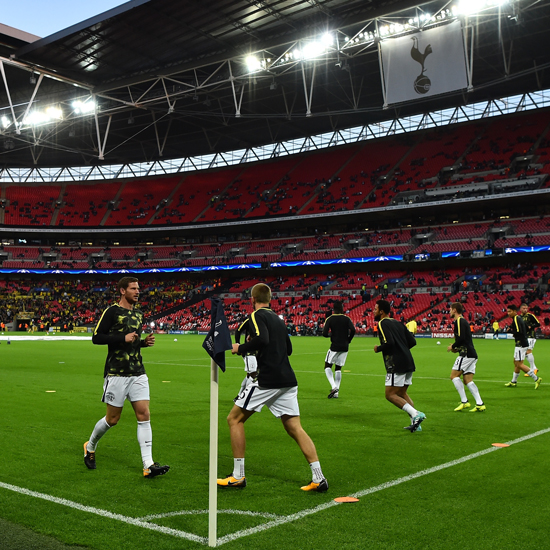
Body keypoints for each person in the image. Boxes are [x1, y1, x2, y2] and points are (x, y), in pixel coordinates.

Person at [217, 283, 328, 492]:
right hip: (287, 379)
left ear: (252, 299)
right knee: (295, 427)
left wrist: (240, 347)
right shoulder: (278, 319)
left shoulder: (256, 316)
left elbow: (262, 339)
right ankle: (318, 477)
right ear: (270, 299)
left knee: (234, 419)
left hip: (267, 380)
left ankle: (238, 475)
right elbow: (289, 348)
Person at [83, 277, 170, 478]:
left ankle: (148, 464)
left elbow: (132, 342)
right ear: (122, 291)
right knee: (112, 419)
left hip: (138, 371)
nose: (137, 291)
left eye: (138, 288)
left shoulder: (139, 314)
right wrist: (122, 338)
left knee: (144, 415)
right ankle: (91, 446)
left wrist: (142, 343)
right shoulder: (112, 311)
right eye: (133, 288)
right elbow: (97, 337)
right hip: (116, 373)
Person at [373, 299, 426, 433]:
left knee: (390, 395)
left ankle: (416, 414)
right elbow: (412, 341)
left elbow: (389, 343)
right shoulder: (398, 323)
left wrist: (378, 348)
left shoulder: (382, 323)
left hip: (395, 363)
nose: (373, 311)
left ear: (381, 311)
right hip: (408, 361)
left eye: (375, 309)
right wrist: (402, 349)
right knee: (402, 393)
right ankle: (416, 424)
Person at [447, 302, 485, 412]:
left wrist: (453, 346)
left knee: (454, 376)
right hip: (471, 354)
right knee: (468, 380)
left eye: (450, 309)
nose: (449, 311)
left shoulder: (459, 321)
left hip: (466, 354)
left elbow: (461, 338)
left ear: (454, 310)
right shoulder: (463, 321)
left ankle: (464, 402)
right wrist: (457, 348)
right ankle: (480, 403)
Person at [322, 300, 355, 398]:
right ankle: (336, 393)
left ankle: (333, 386)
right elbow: (353, 330)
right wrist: (349, 339)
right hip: (345, 346)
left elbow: (324, 333)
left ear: (334, 309)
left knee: (327, 366)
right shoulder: (346, 319)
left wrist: (331, 335)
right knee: (338, 368)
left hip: (334, 346)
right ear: (342, 308)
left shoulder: (330, 319)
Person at [504, 304, 542, 389]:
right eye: (507, 311)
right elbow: (524, 328)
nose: (508, 313)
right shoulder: (518, 318)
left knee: (519, 364)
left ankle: (536, 378)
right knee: (515, 362)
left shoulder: (517, 319)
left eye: (510, 311)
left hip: (521, 344)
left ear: (514, 311)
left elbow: (518, 331)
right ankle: (514, 381)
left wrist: (511, 331)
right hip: (521, 343)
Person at [234, 316, 258, 397]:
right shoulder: (250, 320)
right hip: (249, 352)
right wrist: (238, 345)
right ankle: (246, 396)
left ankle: (240, 395)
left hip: (258, 352)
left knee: (250, 374)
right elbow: (238, 330)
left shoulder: (264, 321)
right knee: (253, 373)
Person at [520, 303, 540, 377]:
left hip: (530, 336)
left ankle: (532, 369)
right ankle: (534, 368)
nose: (525, 310)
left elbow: (538, 324)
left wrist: (531, 326)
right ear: (521, 309)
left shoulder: (530, 316)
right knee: (526, 353)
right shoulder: (519, 317)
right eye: (523, 308)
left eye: (526, 308)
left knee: (528, 351)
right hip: (524, 337)